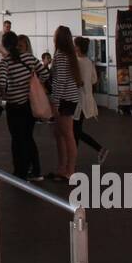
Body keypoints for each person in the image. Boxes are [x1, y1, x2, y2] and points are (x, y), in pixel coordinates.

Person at [0, 30, 48, 180]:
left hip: (14, 105)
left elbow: (2, 83)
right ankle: (35, 170)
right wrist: (30, 82)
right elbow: (45, 75)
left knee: (17, 139)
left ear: (5, 46)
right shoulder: (30, 58)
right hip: (29, 104)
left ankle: (20, 171)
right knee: (28, 137)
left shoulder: (5, 62)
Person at [48, 26, 83, 181]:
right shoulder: (70, 55)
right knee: (61, 133)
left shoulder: (61, 56)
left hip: (64, 100)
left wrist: (55, 102)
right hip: (70, 98)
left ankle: (69, 169)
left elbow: (60, 81)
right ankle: (64, 167)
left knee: (67, 134)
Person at [73, 37, 109, 164]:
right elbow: (94, 80)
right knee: (76, 130)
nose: (73, 47)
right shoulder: (89, 62)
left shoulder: (76, 62)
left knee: (75, 130)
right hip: (87, 99)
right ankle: (75, 156)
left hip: (77, 100)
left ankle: (99, 149)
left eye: (74, 45)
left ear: (78, 47)